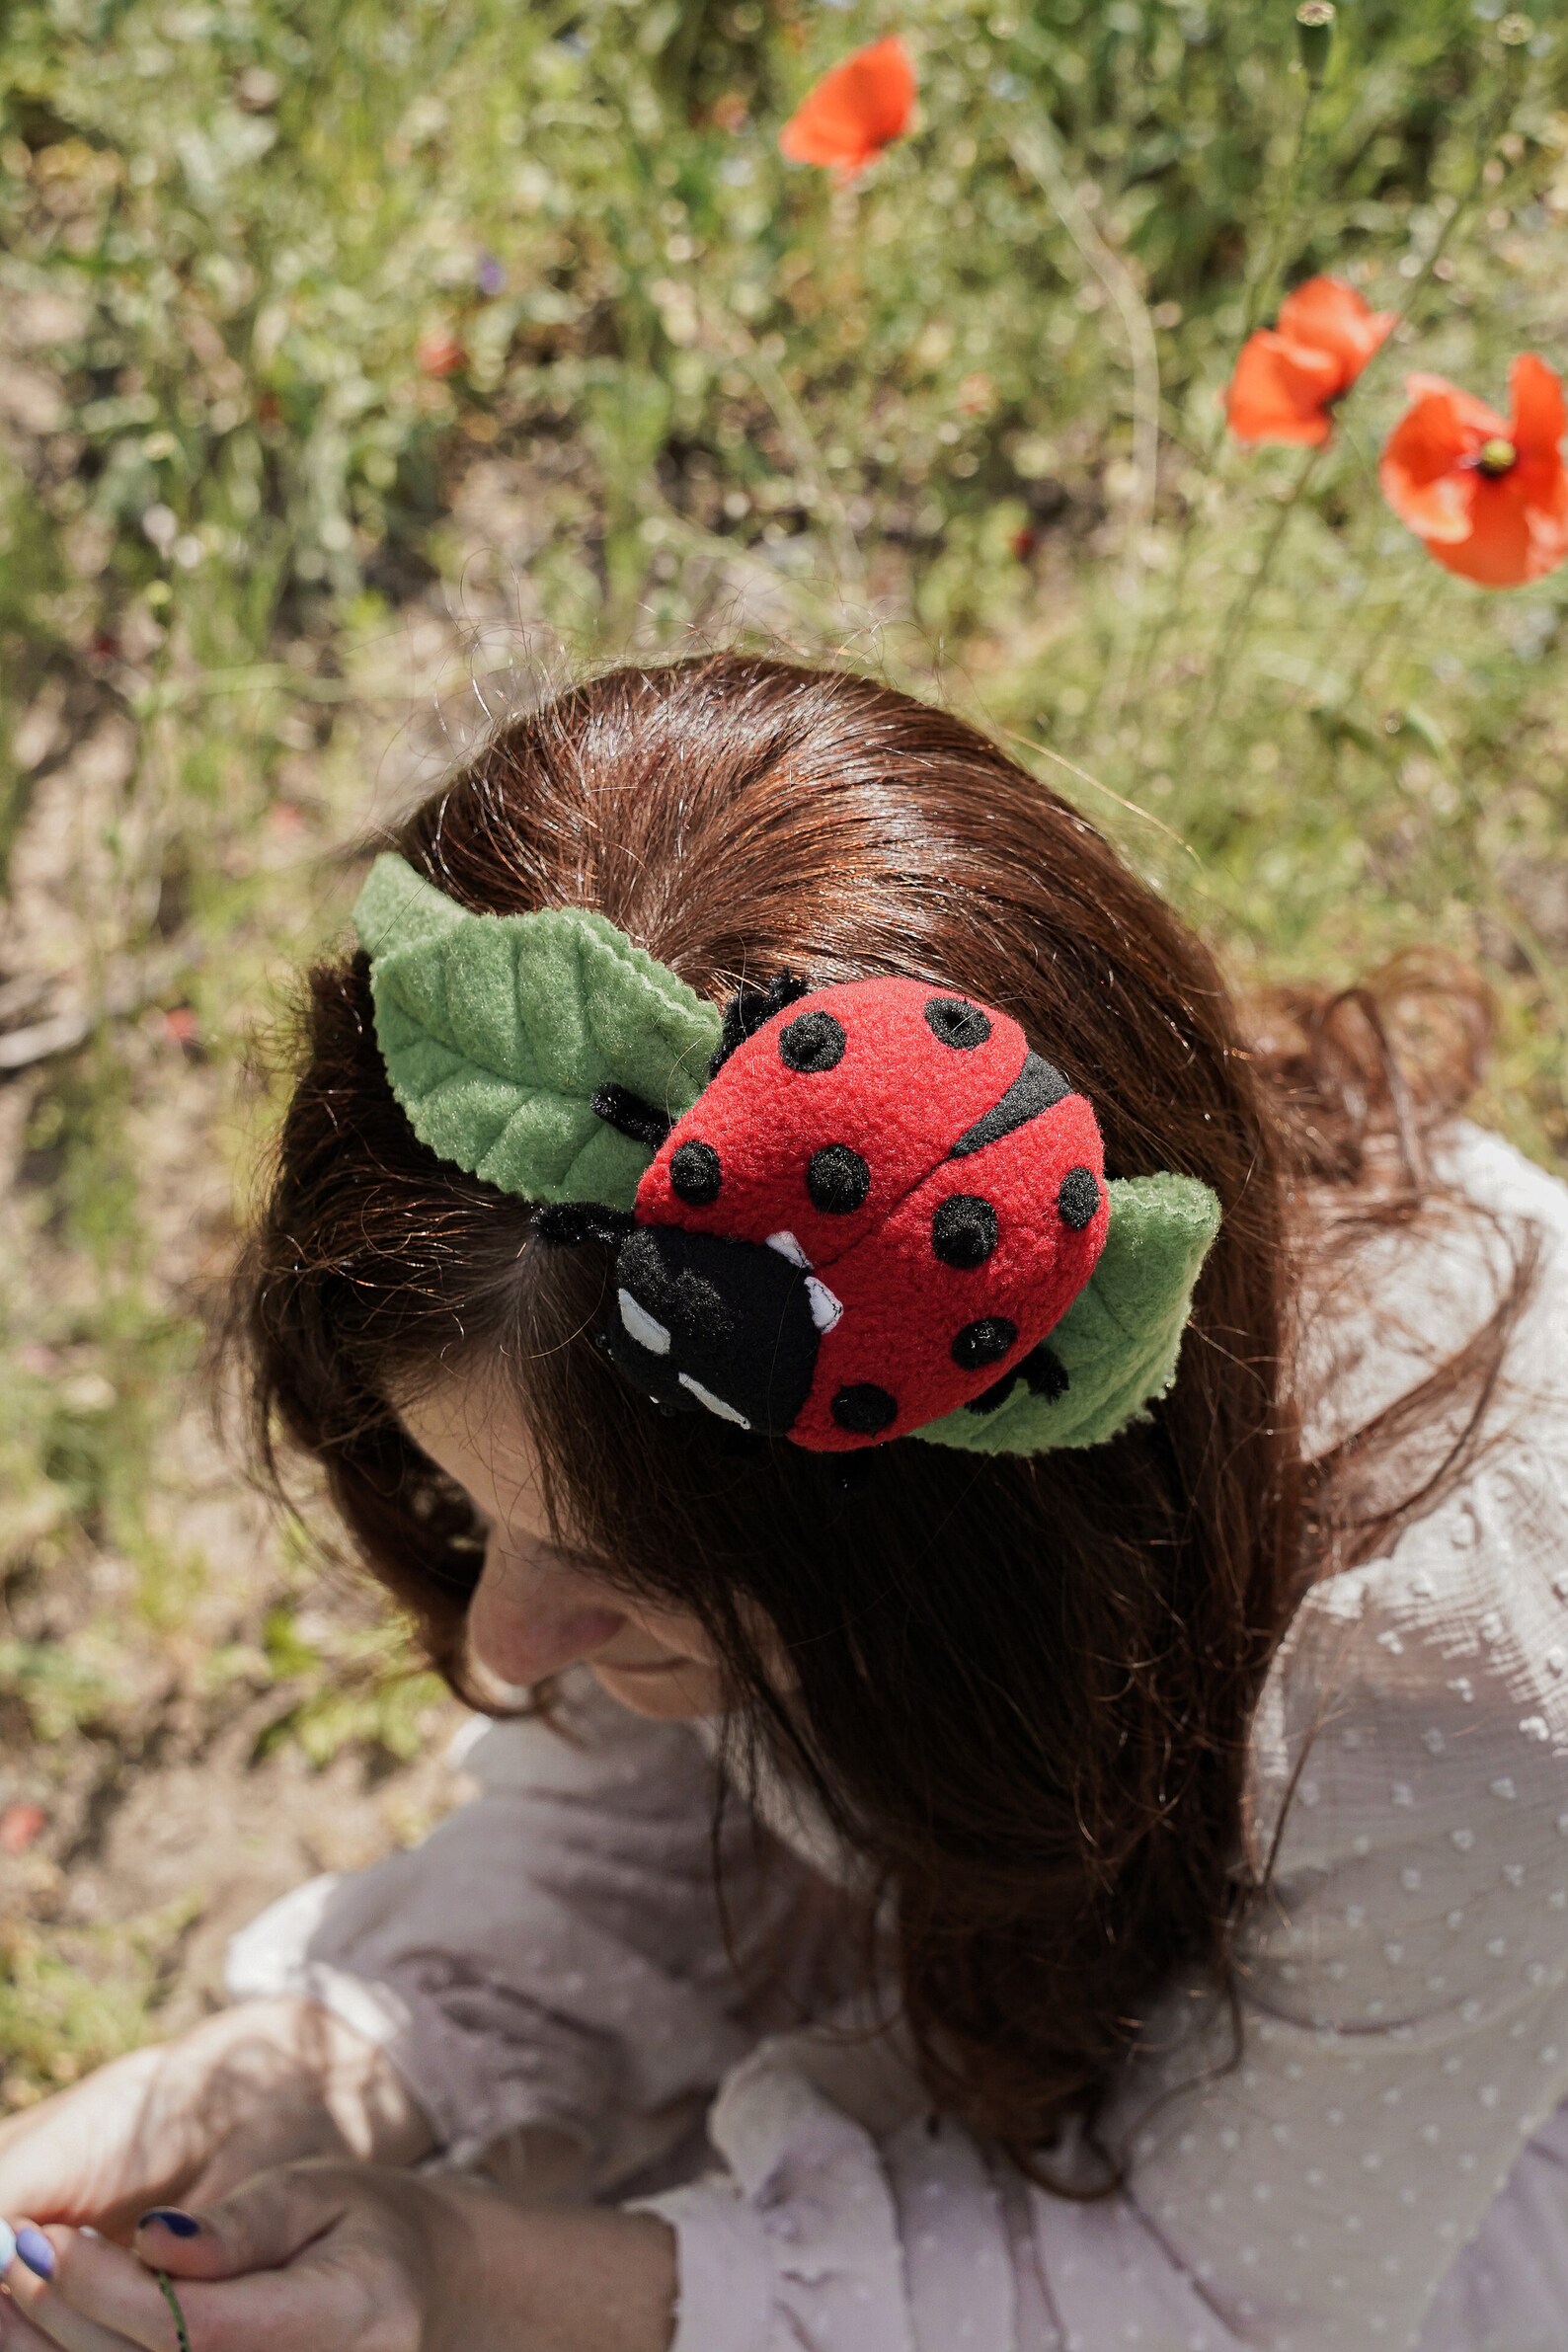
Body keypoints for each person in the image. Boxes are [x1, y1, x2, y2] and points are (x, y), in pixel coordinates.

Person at [0, 655, 1565, 2352]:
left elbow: (1221, 2299)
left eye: (618, 1569)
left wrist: (468, 2275)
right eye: (468, 1509)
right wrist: (320, 2076)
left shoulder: (1459, 1675)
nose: (507, 1643)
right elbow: (667, 1828)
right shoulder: (792, 1432)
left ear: (960, 1554)